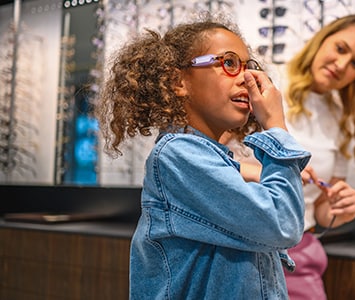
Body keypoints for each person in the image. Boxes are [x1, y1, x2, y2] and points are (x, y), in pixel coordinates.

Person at [94, 13, 312, 299]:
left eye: (250, 67)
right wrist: (276, 127)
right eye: (229, 63)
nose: (247, 79)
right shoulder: (178, 155)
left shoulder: (207, 157)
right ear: (178, 81)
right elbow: (281, 224)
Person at [222, 14, 355, 299]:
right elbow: (206, 159)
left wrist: (337, 209)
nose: (342, 65)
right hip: (238, 247)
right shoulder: (265, 83)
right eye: (341, 48)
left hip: (298, 253)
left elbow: (318, 207)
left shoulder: (342, 120)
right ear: (321, 41)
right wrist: (266, 171)